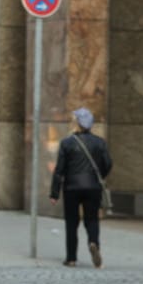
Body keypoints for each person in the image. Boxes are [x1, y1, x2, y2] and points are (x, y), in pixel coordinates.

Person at [50, 107, 112, 268]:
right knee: (92, 219)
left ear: (76, 123)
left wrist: (54, 193)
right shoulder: (100, 142)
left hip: (71, 187)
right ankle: (93, 243)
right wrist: (99, 178)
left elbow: (59, 170)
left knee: (72, 222)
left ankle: (71, 258)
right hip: (93, 187)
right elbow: (108, 164)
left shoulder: (67, 143)